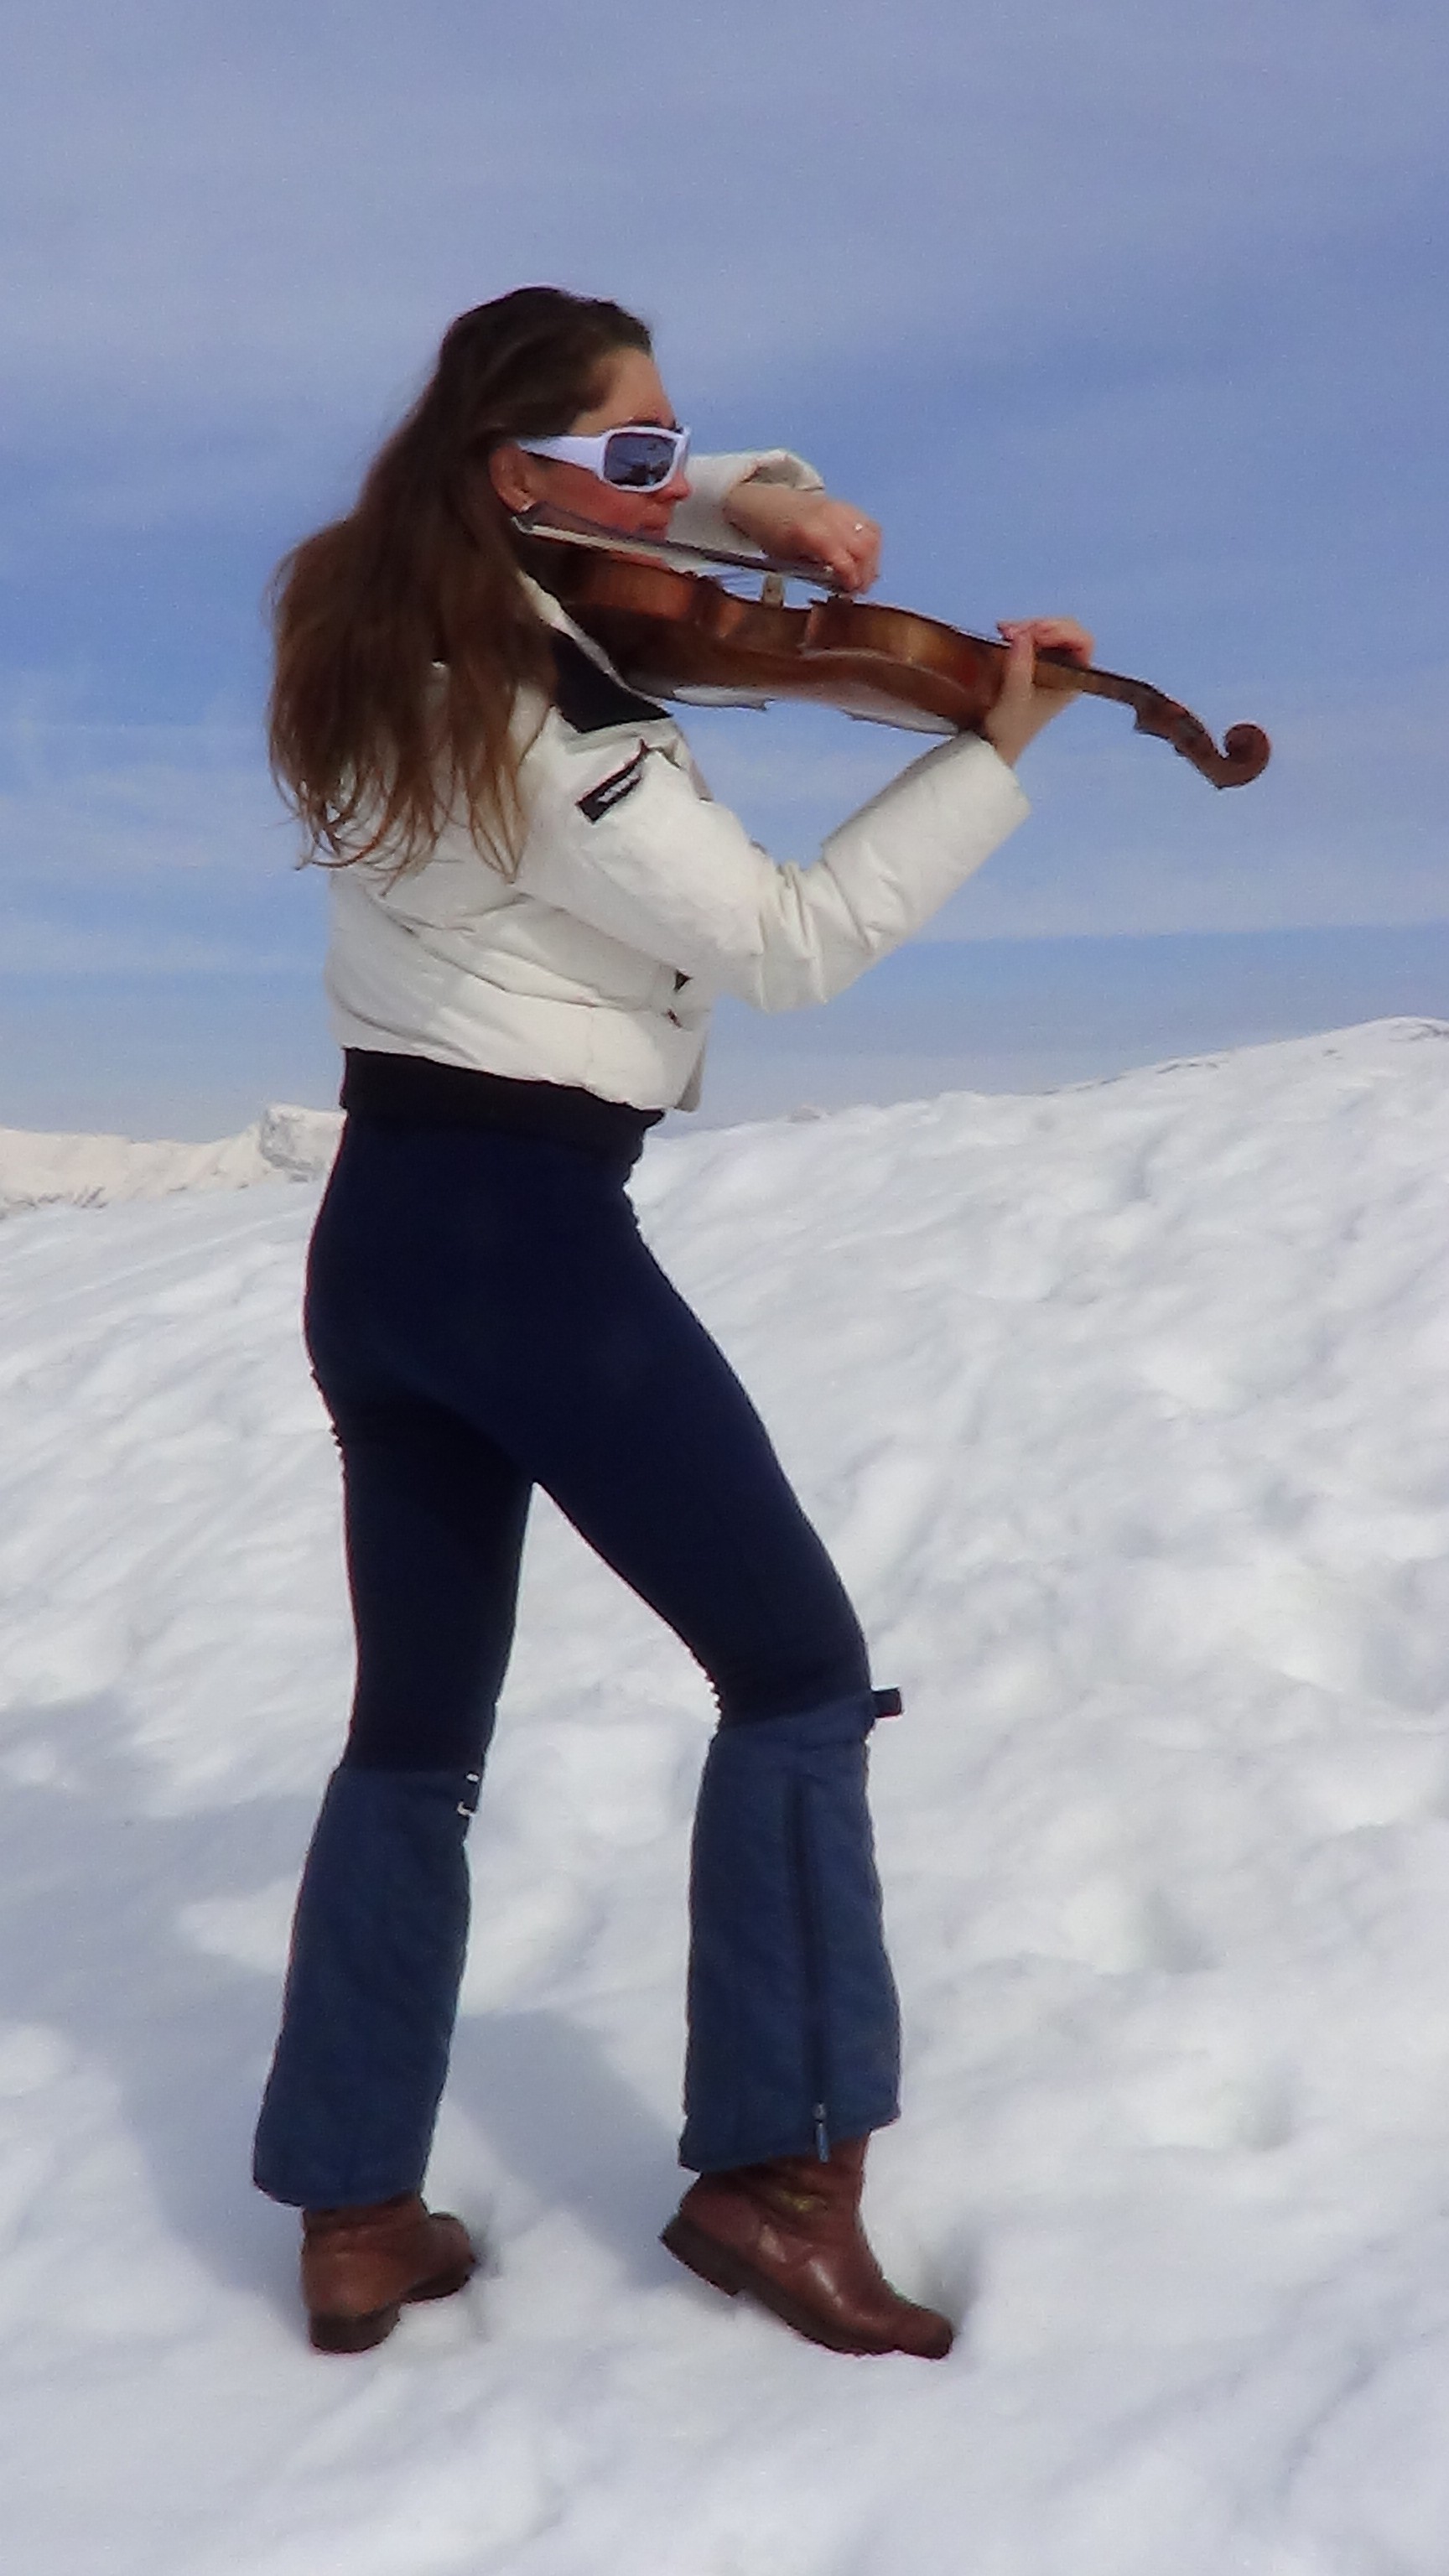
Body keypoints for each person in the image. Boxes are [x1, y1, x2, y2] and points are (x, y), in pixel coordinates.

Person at [253, 285, 1091, 2360]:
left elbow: (614, 500)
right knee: (796, 1674)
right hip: (526, 1242)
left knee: (414, 1737)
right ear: (517, 469)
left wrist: (762, 501)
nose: (668, 480)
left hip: (378, 1246)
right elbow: (790, 945)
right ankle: (780, 2187)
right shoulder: (568, 734)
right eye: (634, 449)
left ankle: (356, 2211)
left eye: (669, 445)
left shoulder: (367, 610)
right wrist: (990, 754)